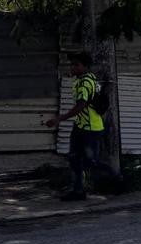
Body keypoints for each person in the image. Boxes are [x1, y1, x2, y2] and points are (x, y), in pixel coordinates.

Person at [45, 51, 117, 201]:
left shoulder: (85, 83)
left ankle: (117, 179)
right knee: (74, 159)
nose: (73, 67)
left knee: (91, 161)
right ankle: (78, 191)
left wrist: (59, 119)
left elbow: (80, 106)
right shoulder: (86, 79)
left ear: (85, 66)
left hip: (90, 129)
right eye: (72, 64)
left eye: (76, 65)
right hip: (81, 126)